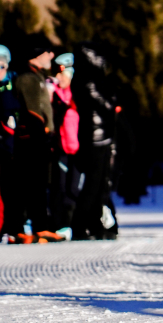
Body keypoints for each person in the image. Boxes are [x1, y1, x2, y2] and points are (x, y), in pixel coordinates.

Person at [5, 40, 57, 243]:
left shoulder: (36, 77)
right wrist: (42, 133)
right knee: (28, 185)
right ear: (36, 55)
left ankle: (37, 227)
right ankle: (20, 229)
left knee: (36, 185)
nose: (51, 56)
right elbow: (33, 112)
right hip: (31, 140)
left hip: (36, 138)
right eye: (47, 52)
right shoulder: (28, 78)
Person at [70, 43, 120, 241]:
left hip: (102, 137)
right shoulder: (87, 80)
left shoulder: (92, 79)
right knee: (92, 185)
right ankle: (80, 226)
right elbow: (106, 105)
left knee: (101, 186)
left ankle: (96, 224)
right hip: (94, 139)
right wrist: (113, 94)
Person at [46, 52, 81, 241]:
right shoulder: (54, 93)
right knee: (59, 188)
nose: (59, 78)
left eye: (63, 74)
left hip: (78, 149)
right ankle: (61, 225)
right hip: (60, 148)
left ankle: (75, 223)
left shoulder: (80, 94)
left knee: (74, 189)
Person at [0, 45, 17, 242]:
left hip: (7, 147)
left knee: (3, 189)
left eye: (0, 66)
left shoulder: (13, 86)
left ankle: (4, 227)